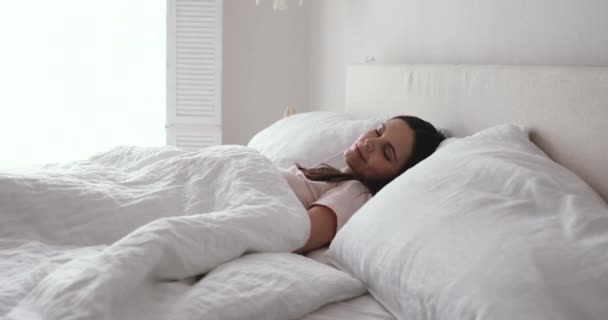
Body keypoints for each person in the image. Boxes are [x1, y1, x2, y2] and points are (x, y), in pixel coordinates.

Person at [284, 116, 446, 254]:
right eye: (379, 131)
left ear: (395, 179)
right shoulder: (336, 178)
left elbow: (296, 236)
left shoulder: (355, 193)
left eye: (386, 153)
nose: (370, 141)